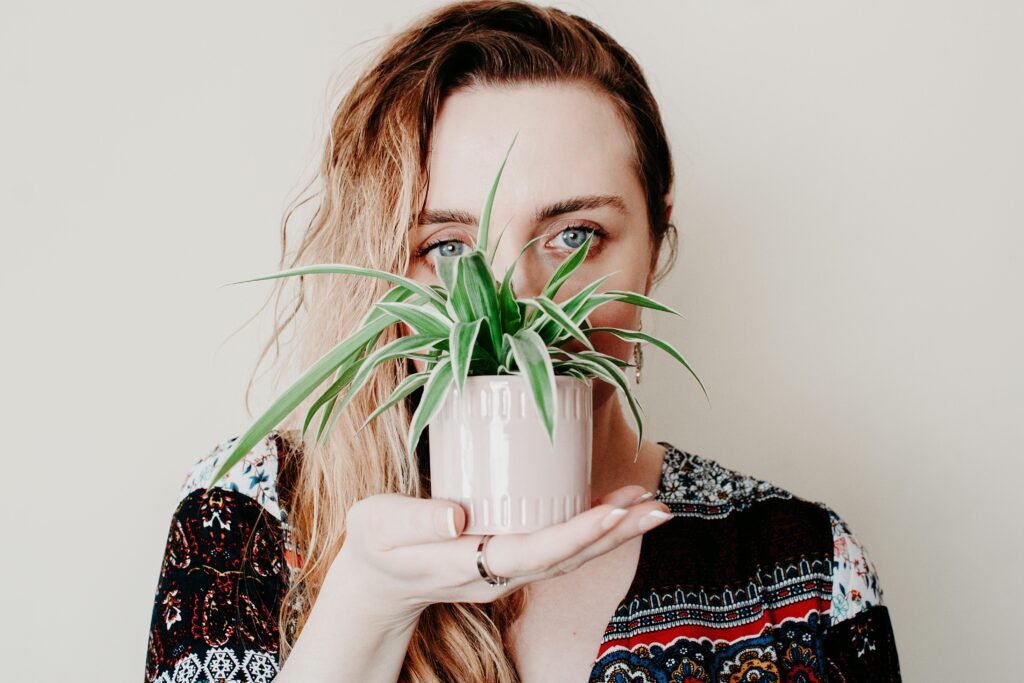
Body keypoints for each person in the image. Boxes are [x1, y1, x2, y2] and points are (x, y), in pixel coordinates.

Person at [143, 2, 903, 681]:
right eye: (446, 246)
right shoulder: (253, 517)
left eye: (575, 235)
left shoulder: (801, 570)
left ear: (655, 240)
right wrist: (368, 605)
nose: (517, 304)